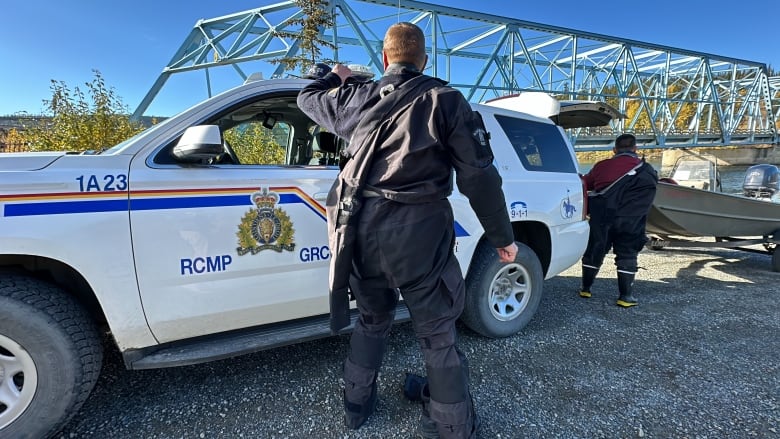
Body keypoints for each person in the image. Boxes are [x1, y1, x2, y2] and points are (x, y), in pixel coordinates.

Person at [297, 22, 518, 438]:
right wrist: (503, 237)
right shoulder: (446, 100)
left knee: (371, 320)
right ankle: (448, 426)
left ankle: (356, 406)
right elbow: (479, 178)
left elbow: (306, 96)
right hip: (420, 233)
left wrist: (334, 76)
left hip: (360, 230)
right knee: (437, 333)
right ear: (424, 61)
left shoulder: (357, 97)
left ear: (385, 60)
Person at [579, 133, 658, 307]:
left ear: (614, 150)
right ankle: (625, 297)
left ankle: (586, 289)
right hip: (631, 220)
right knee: (627, 254)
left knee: (594, 252)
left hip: (603, 218)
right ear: (635, 149)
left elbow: (586, 184)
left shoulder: (602, 166)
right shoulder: (647, 170)